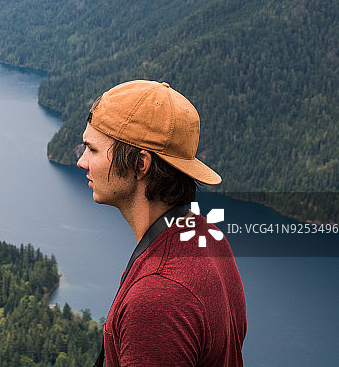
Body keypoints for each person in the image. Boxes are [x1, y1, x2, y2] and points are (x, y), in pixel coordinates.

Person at [77, 80, 246, 367]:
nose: (82, 162)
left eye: (92, 150)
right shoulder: (205, 235)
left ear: (140, 165)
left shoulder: (158, 298)